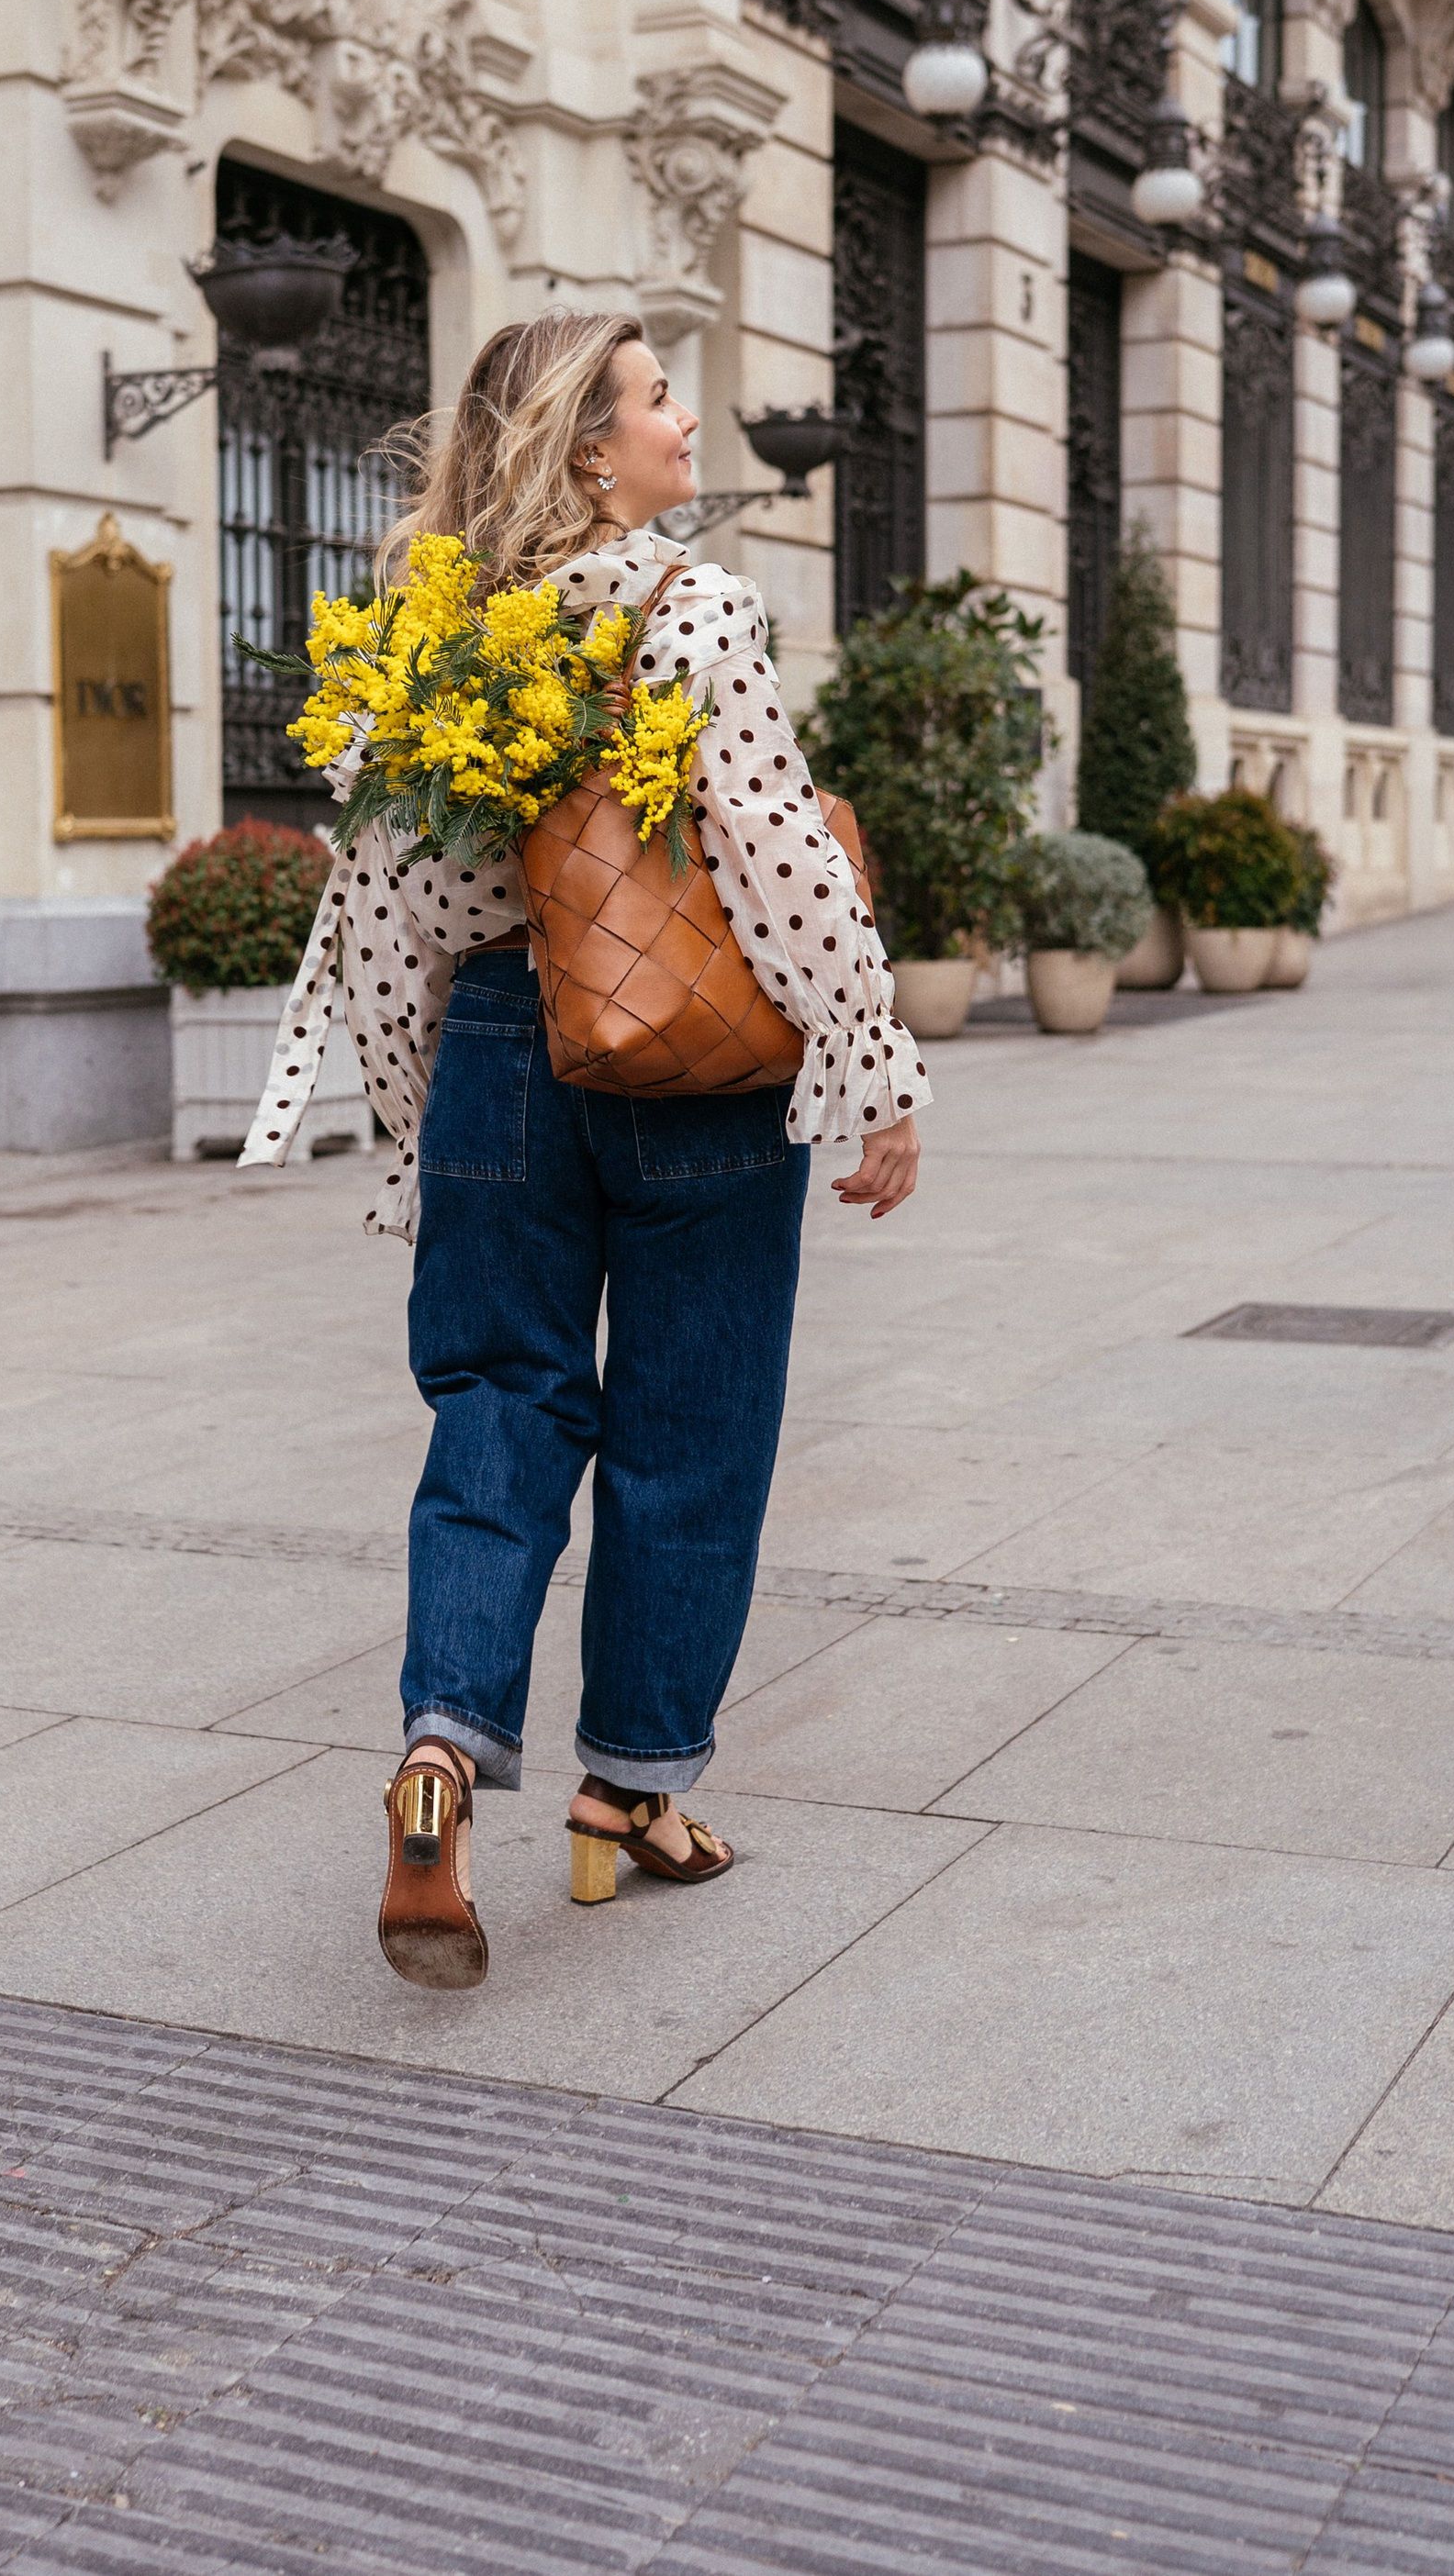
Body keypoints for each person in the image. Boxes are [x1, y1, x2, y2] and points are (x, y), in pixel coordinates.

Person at [241, 311, 924, 1985]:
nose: (688, 422)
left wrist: (423, 1125)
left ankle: (440, 1744)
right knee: (692, 1433)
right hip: (684, 1056)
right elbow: (768, 847)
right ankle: (633, 1797)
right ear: (590, 449)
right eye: (656, 398)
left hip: (495, 1052)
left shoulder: (434, 636)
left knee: (496, 1402)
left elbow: (384, 914)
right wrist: (871, 1055)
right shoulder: (690, 602)